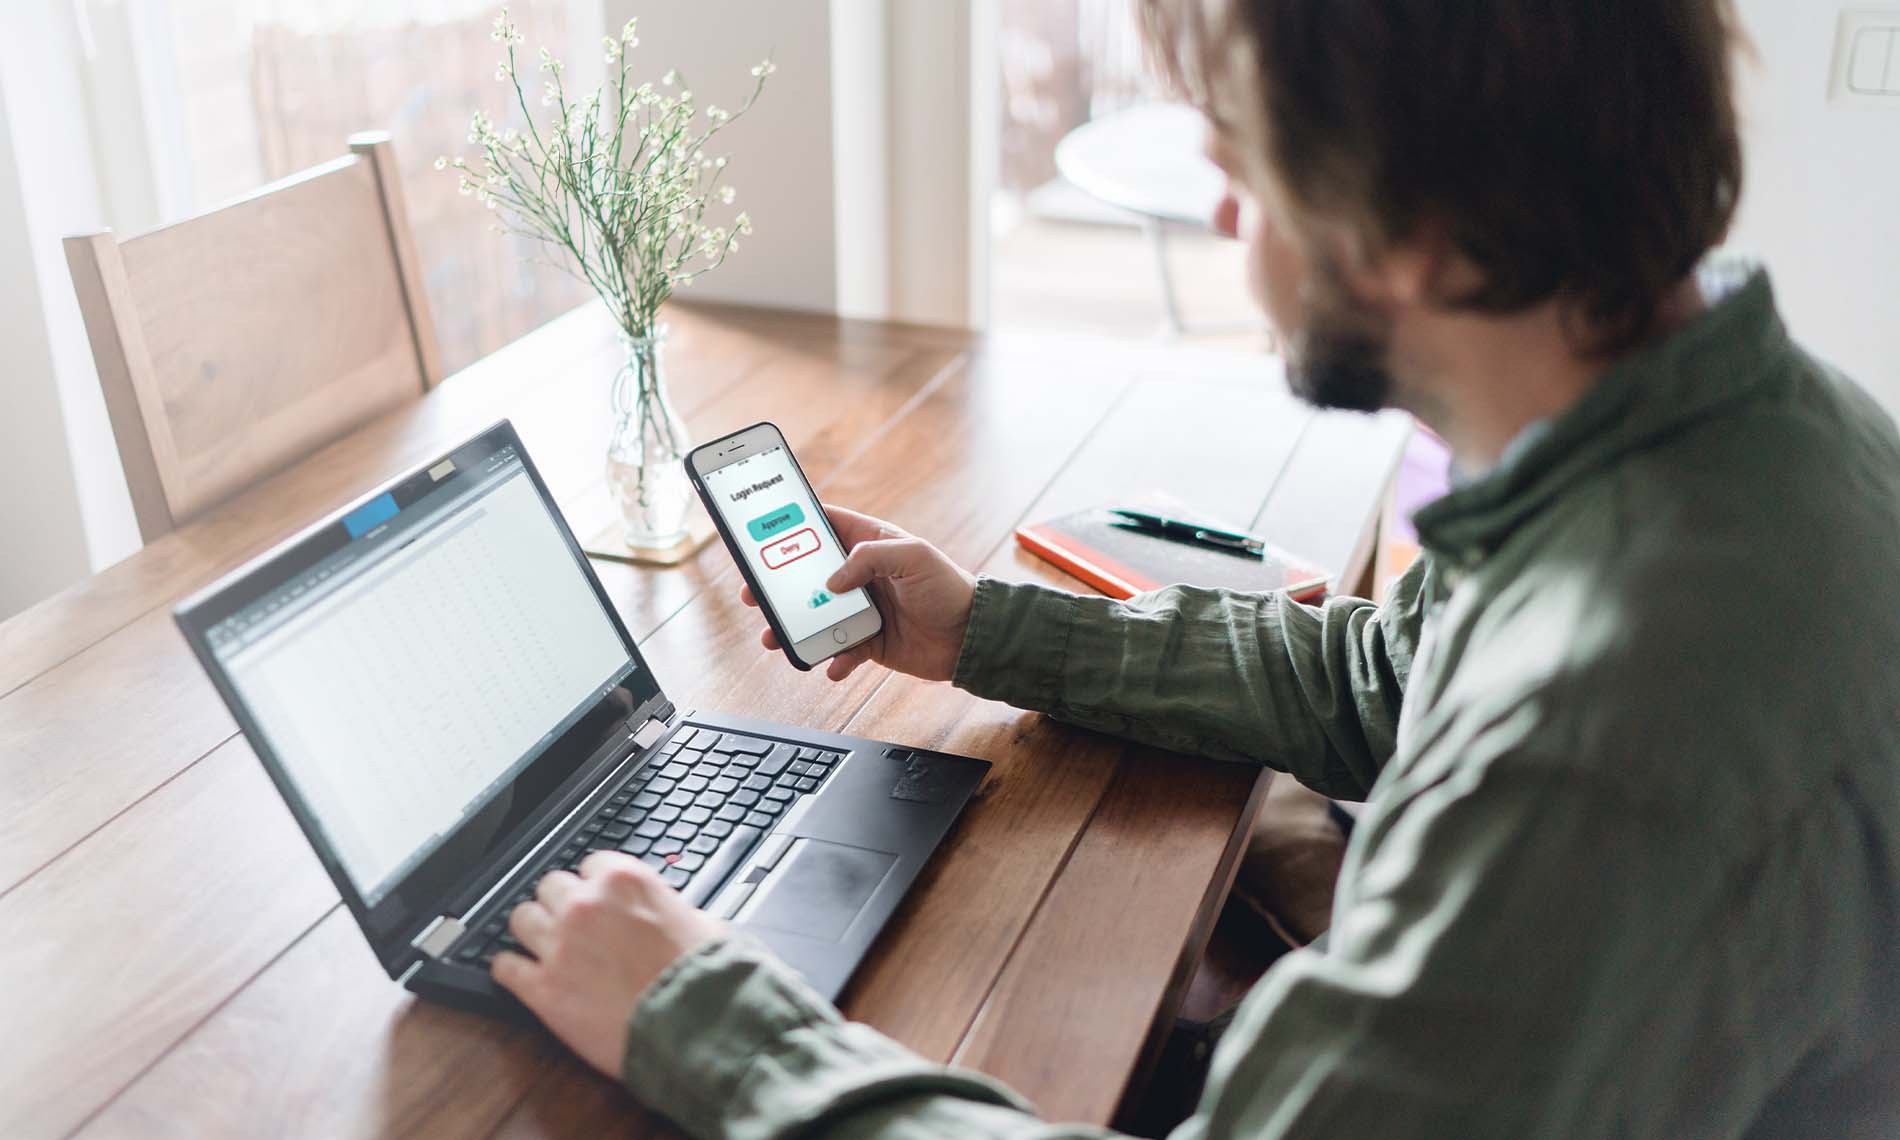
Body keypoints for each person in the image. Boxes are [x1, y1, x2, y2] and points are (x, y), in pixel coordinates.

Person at [490, 0, 1900, 1135]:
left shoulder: (1610, 738)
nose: (1229, 224)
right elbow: (1382, 677)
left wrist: (713, 1027)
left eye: (1240, 168)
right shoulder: (1728, 431)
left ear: (1403, 235)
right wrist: (985, 628)